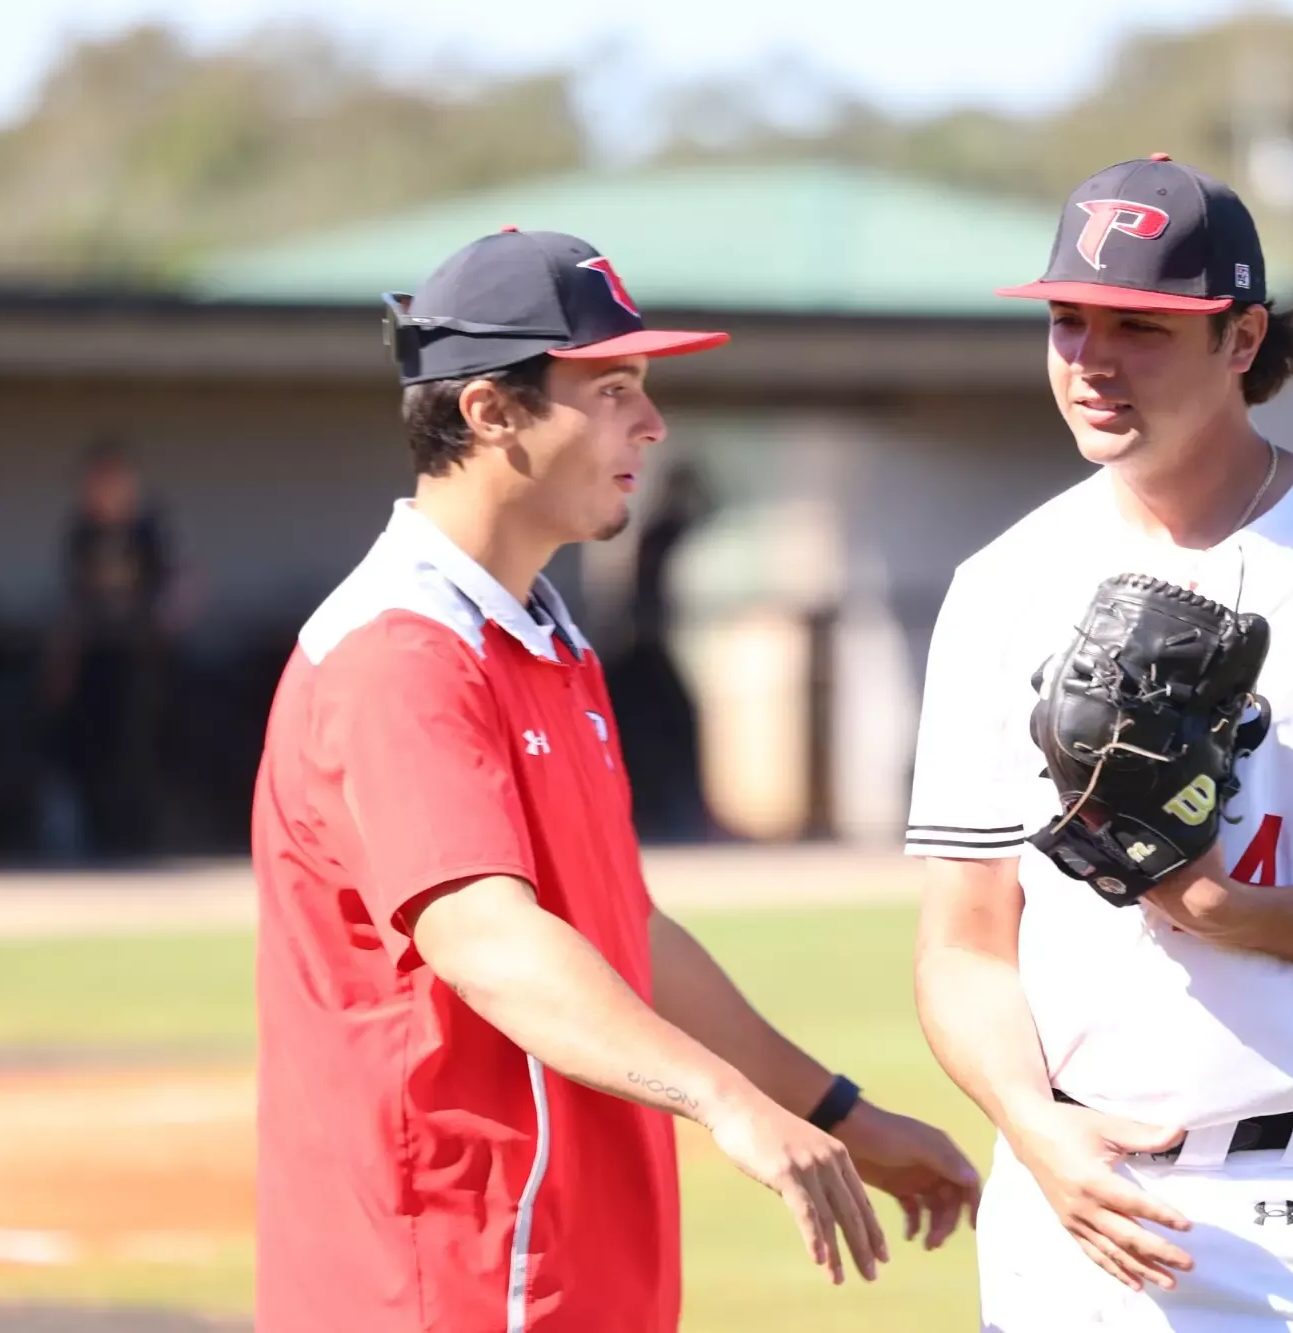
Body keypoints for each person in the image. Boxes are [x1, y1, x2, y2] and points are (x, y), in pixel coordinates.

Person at [250, 228, 981, 1333]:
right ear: (489, 412)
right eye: (613, 389)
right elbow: (485, 938)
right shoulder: (398, 652)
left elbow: (622, 930)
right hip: (446, 1281)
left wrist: (841, 1112)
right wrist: (725, 1104)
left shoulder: (547, 640)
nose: (652, 422)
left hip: (568, 1269)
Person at [906, 153, 1293, 1331]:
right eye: (1066, 320)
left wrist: (1224, 908)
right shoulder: (1000, 585)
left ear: (1240, 340)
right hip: (1063, 1189)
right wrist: (1031, 1126)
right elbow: (962, 942)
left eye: (1139, 326)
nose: (1090, 360)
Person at [42, 440, 176, 860]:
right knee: (89, 751)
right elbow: (72, 604)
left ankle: (139, 844)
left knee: (137, 752)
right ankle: (97, 844)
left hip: (140, 660)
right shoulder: (81, 534)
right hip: (92, 659)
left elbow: (179, 590)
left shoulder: (149, 531)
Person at [602, 458, 716, 842]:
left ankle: (681, 814)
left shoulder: (663, 532)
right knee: (664, 728)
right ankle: (668, 815)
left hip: (649, 644)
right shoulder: (660, 533)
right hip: (643, 646)